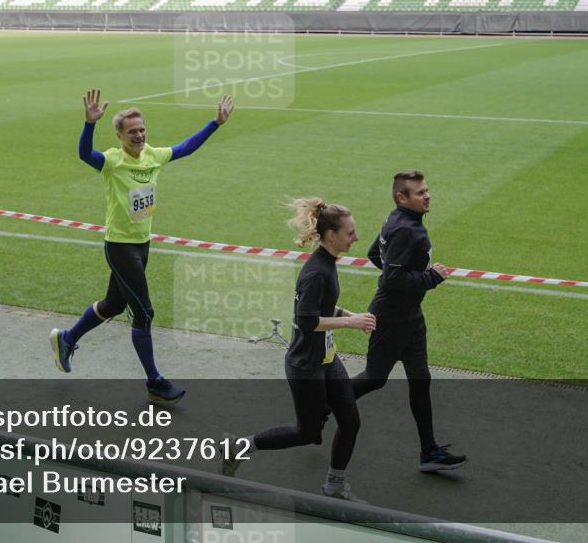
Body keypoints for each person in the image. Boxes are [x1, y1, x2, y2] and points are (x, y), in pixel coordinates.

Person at [50, 89, 234, 405]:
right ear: (120, 135)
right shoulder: (112, 161)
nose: (139, 135)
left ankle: (66, 339)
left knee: (111, 306)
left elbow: (186, 148)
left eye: (142, 129)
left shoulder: (153, 155)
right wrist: (89, 124)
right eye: (132, 131)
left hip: (142, 245)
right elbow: (84, 154)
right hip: (120, 247)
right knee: (144, 313)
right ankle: (154, 382)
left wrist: (215, 123)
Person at [218, 199, 376, 501]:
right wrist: (351, 323)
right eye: (350, 232)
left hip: (326, 360)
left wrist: (350, 315)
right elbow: (305, 320)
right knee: (308, 433)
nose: (355, 237)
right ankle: (238, 447)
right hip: (307, 366)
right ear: (332, 236)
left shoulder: (327, 263)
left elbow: (322, 307)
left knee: (351, 421)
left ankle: (334, 485)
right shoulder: (318, 272)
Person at [351, 170, 467, 472]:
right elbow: (391, 277)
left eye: (427, 190)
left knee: (421, 379)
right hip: (390, 318)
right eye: (420, 193)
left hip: (411, 317)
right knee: (375, 378)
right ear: (402, 197)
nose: (427, 196)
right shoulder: (407, 230)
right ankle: (321, 404)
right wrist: (431, 277)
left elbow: (373, 253)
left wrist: (410, 278)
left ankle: (429, 452)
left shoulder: (398, 220)